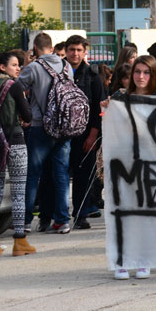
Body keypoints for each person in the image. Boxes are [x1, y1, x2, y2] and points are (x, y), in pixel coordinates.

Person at [112, 55, 156, 280]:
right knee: (123, 212)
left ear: (153, 75)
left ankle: (144, 259)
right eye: (137, 72)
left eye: (146, 72)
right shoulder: (120, 98)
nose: (141, 76)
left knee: (147, 213)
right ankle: (121, 259)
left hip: (152, 163)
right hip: (124, 163)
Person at [19, 32, 75, 234]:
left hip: (39, 126)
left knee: (33, 175)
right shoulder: (67, 66)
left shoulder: (34, 67)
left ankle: (25, 221)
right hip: (63, 127)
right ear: (51, 48)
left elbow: (17, 88)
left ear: (35, 48)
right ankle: (62, 220)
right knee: (61, 175)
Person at [0, 51, 35, 258]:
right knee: (18, 192)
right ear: (2, 67)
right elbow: (28, 115)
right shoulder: (13, 86)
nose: (18, 69)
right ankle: (20, 242)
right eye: (14, 65)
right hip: (14, 142)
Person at [64, 35, 105, 229]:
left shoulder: (93, 76)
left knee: (83, 177)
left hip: (85, 136)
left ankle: (80, 214)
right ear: (66, 50)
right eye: (72, 49)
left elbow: (99, 109)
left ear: (85, 52)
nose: (75, 53)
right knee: (57, 176)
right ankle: (55, 217)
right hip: (60, 136)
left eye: (79, 50)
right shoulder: (58, 74)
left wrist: (92, 136)